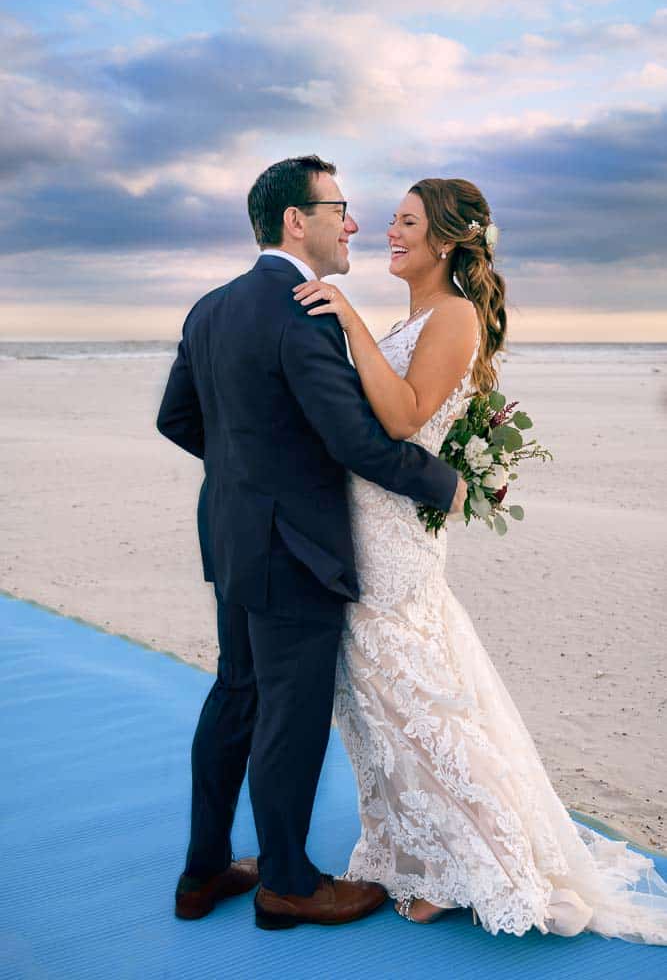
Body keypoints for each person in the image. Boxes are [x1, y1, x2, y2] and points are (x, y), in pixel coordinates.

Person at [295, 177, 667, 944]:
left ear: (446, 241)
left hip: (396, 535)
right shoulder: (415, 315)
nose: (389, 233)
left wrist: (352, 327)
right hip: (366, 522)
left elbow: (401, 416)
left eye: (406, 224)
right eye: (391, 222)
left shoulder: (455, 314)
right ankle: (410, 847)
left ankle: (471, 862)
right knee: (377, 702)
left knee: (420, 698)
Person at [156, 157, 466, 929]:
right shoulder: (301, 311)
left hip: (230, 538)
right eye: (339, 208)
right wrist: (445, 486)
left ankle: (202, 873)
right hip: (296, 549)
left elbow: (179, 420)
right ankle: (287, 882)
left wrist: (251, 476)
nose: (352, 223)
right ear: (297, 220)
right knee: (289, 712)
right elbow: (359, 443)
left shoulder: (211, 307)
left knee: (235, 692)